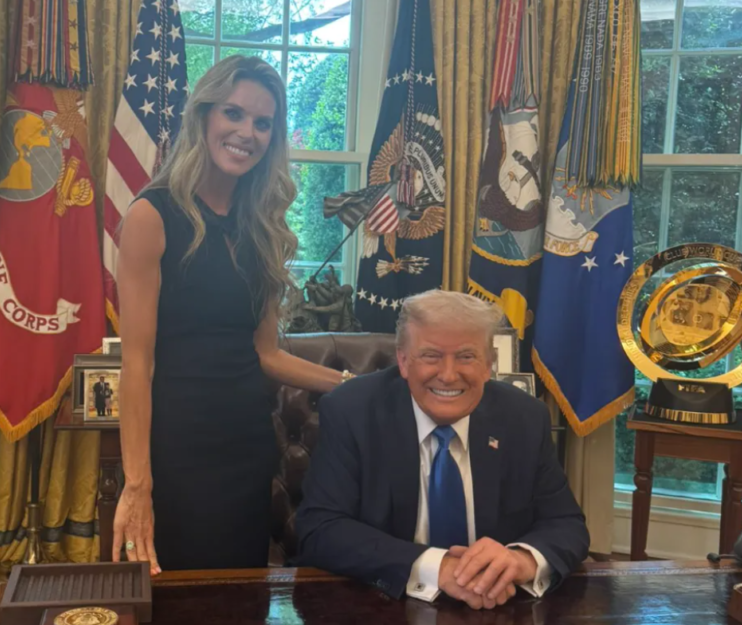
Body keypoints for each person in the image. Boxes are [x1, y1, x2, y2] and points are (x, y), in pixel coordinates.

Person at [115, 55, 352, 574]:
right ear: (203, 115)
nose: (247, 132)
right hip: (179, 449)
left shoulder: (259, 226)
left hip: (247, 446)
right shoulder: (152, 216)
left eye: (263, 123)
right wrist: (137, 485)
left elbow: (265, 353)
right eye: (234, 113)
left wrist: (352, 384)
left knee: (239, 594)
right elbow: (137, 365)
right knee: (179, 596)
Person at [295, 290, 589, 609]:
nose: (448, 375)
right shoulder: (352, 411)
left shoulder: (524, 418)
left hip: (497, 606)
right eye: (431, 356)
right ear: (403, 361)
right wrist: (438, 568)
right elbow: (320, 530)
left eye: (466, 357)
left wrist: (521, 561)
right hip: (381, 605)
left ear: (488, 364)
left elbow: (566, 524)